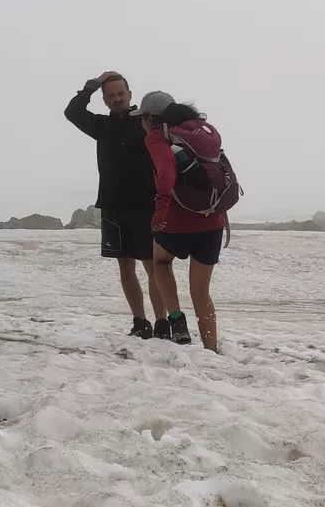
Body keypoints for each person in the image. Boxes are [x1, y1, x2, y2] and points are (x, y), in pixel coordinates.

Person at [64, 72, 168, 338]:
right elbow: (72, 112)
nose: (117, 98)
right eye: (111, 95)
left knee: (152, 265)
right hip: (113, 204)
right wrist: (93, 84)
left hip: (146, 204)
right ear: (105, 99)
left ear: (130, 95)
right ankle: (140, 322)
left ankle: (162, 323)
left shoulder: (146, 123)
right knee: (125, 265)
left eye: (121, 93)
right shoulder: (100, 125)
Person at [133, 91, 227, 351]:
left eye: (142, 118)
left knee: (161, 263)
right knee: (200, 291)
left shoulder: (157, 135)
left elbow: (166, 172)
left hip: (176, 220)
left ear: (150, 118)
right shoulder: (204, 132)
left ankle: (176, 320)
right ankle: (211, 348)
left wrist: (161, 209)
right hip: (211, 220)